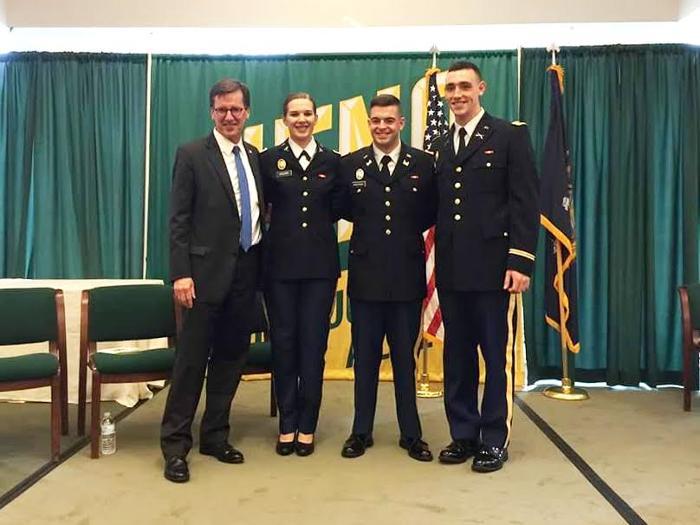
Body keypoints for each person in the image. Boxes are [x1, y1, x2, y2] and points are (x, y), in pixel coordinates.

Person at [432, 61, 539, 473]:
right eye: (450, 88)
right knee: (457, 357)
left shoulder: (509, 136)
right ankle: (463, 433)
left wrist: (520, 260)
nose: (457, 94)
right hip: (453, 270)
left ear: (481, 88)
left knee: (496, 358)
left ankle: (494, 438)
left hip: (497, 271)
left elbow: (525, 202)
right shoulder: (441, 145)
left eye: (464, 86)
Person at [160, 78, 264, 483]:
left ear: (248, 111)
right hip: (201, 279)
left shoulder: (254, 156)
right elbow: (178, 220)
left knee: (230, 360)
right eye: (222, 109)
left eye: (236, 109)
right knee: (190, 364)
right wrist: (181, 273)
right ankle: (174, 447)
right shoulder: (191, 155)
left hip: (245, 276)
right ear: (211, 112)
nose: (229, 116)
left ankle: (215, 436)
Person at [337, 94, 436, 462]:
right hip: (365, 279)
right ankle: (360, 431)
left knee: (403, 361)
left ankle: (411, 434)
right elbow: (345, 209)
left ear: (401, 123)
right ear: (370, 123)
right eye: (375, 120)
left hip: (406, 279)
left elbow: (427, 213)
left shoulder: (424, 165)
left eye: (388, 121)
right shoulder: (352, 166)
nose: (381, 126)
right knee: (363, 359)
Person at [259, 92, 341, 457]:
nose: (302, 119)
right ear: (284, 120)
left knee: (314, 347)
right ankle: (287, 422)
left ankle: (308, 424)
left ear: (317, 118)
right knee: (284, 346)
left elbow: (341, 209)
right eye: (294, 114)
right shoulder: (268, 161)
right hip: (279, 270)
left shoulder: (333, 162)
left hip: (320, 271)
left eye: (308, 113)